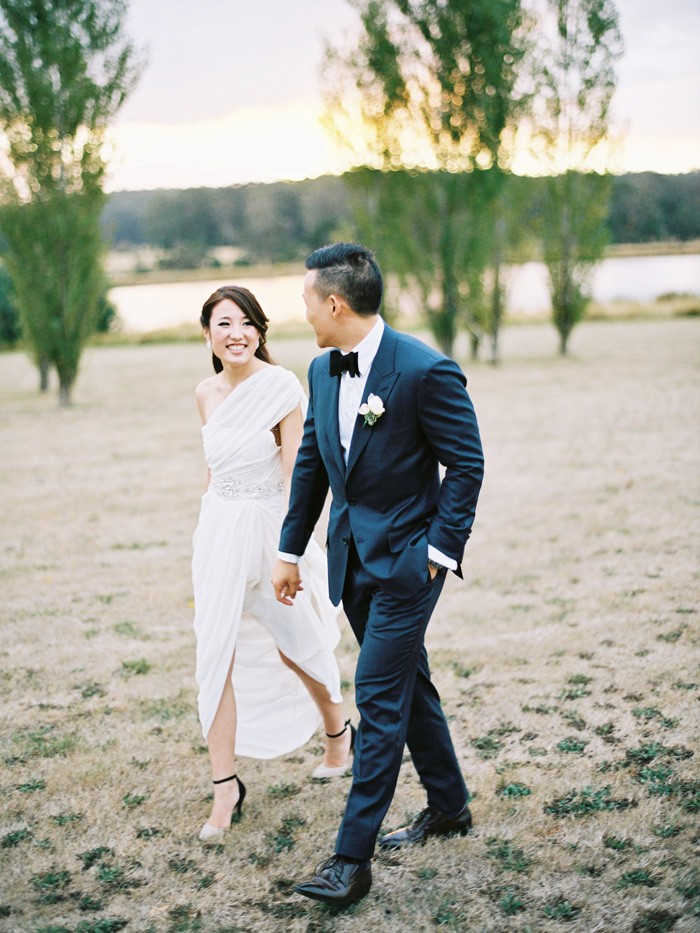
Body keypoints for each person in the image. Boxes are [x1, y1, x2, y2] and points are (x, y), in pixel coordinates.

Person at [272, 243, 484, 907]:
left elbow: (467, 465)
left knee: (379, 696)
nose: (303, 312)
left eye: (307, 300)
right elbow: (311, 461)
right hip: (350, 560)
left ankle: (349, 859)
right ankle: (448, 805)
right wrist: (288, 550)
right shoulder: (319, 366)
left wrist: (436, 553)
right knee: (407, 681)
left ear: (335, 303)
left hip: (409, 566)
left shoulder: (424, 369)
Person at [192, 284, 353, 844]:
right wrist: (208, 533)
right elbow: (214, 476)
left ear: (259, 330)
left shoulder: (282, 386)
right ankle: (225, 786)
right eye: (223, 324)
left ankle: (338, 730)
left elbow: (297, 477)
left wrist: (295, 549)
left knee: (296, 644)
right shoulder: (205, 394)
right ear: (208, 334)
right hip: (219, 536)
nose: (235, 334)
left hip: (270, 532)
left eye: (245, 323)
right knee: (215, 654)